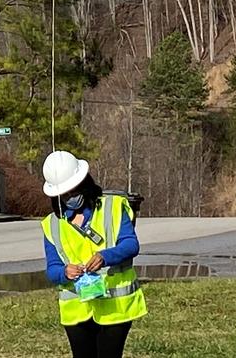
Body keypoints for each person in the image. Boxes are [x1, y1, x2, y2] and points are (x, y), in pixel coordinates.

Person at [41, 150, 147, 358]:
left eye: (74, 190)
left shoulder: (112, 208)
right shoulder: (51, 225)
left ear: (84, 183)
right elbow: (52, 269)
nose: (71, 197)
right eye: (65, 194)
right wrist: (64, 272)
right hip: (77, 309)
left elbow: (131, 244)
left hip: (115, 307)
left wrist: (105, 256)